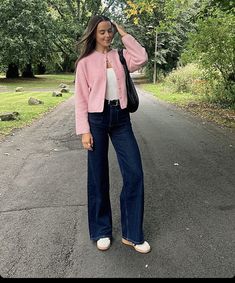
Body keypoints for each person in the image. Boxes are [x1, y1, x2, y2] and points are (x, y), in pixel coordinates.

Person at [74, 15, 151, 254]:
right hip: (96, 119)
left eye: (110, 31)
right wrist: (84, 130)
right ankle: (101, 230)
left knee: (135, 173)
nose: (107, 36)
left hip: (121, 119)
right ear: (93, 34)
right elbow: (80, 99)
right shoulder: (85, 62)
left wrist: (125, 34)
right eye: (102, 32)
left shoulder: (120, 55)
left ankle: (132, 233)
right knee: (98, 177)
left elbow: (142, 57)